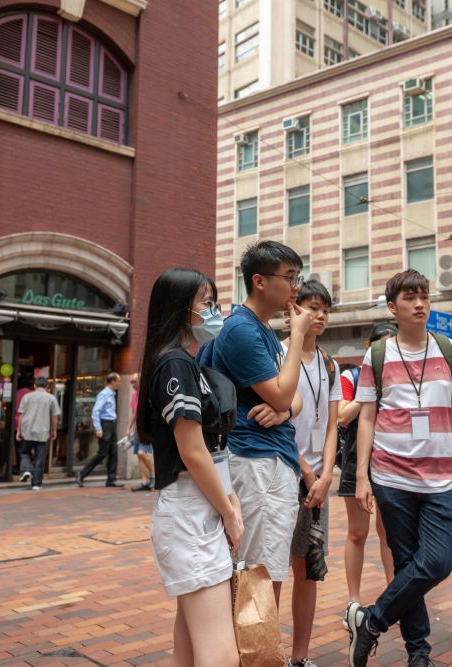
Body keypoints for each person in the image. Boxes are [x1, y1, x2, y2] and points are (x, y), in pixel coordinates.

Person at [345, 269, 452, 667]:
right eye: (409, 298)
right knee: (405, 562)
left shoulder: (450, 350)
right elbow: (366, 417)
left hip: (440, 477)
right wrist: (363, 476)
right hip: (390, 476)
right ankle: (418, 651)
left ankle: (371, 621)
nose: (419, 304)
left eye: (424, 296)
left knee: (436, 562)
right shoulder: (378, 355)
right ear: (392, 306)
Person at [200, 240, 313, 603]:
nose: (297, 287)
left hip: (269, 459)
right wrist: (297, 333)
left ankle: (252, 651)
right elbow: (283, 393)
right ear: (260, 281)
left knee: (266, 569)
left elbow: (292, 399)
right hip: (255, 459)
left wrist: (284, 409)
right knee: (257, 576)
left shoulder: (259, 329)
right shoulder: (242, 330)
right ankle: (252, 656)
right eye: (290, 277)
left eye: (298, 277)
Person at [138, 267, 241, 667]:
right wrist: (230, 511)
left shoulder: (183, 364)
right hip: (190, 511)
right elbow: (193, 451)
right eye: (207, 304)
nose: (214, 313)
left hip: (197, 509)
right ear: (181, 310)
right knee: (221, 654)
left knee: (191, 645)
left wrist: (227, 502)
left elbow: (207, 452)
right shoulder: (174, 366)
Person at [284, 279, 342, 667]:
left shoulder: (330, 364)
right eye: (311, 307)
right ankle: (260, 650)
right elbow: (275, 421)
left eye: (324, 309)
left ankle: (299, 657)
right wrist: (306, 471)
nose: (319, 316)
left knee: (308, 571)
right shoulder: (280, 355)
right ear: (294, 309)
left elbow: (333, 425)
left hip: (317, 484)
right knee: (269, 566)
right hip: (284, 474)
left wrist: (325, 475)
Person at [338, 322, 397, 607]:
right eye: (380, 345)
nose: (385, 352)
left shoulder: (400, 377)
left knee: (389, 532)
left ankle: (393, 593)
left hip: (391, 462)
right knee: (357, 532)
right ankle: (353, 599)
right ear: (368, 347)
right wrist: (372, 387)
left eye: (391, 345)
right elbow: (343, 416)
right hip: (355, 461)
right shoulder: (351, 375)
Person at [76, 372, 123, 487]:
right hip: (105, 424)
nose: (120, 384)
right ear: (112, 382)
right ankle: (82, 474)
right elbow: (95, 412)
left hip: (111, 424)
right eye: (118, 381)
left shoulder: (111, 394)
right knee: (102, 453)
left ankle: (111, 479)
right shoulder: (104, 394)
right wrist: (98, 428)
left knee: (114, 452)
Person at [16, 377, 60, 490]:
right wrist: (54, 430)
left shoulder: (26, 397)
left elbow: (21, 415)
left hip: (27, 430)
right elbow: (54, 417)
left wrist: (18, 430)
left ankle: (25, 470)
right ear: (47, 387)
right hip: (42, 432)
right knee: (40, 458)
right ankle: (36, 483)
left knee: (25, 452)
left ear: (35, 385)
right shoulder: (51, 398)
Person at [128, 373, 155, 492]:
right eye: (131, 382)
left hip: (147, 428)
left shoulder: (148, 394)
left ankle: (154, 475)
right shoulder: (134, 395)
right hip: (138, 429)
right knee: (139, 457)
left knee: (141, 453)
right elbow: (134, 413)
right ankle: (145, 481)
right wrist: (128, 427)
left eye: (134, 381)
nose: (132, 384)